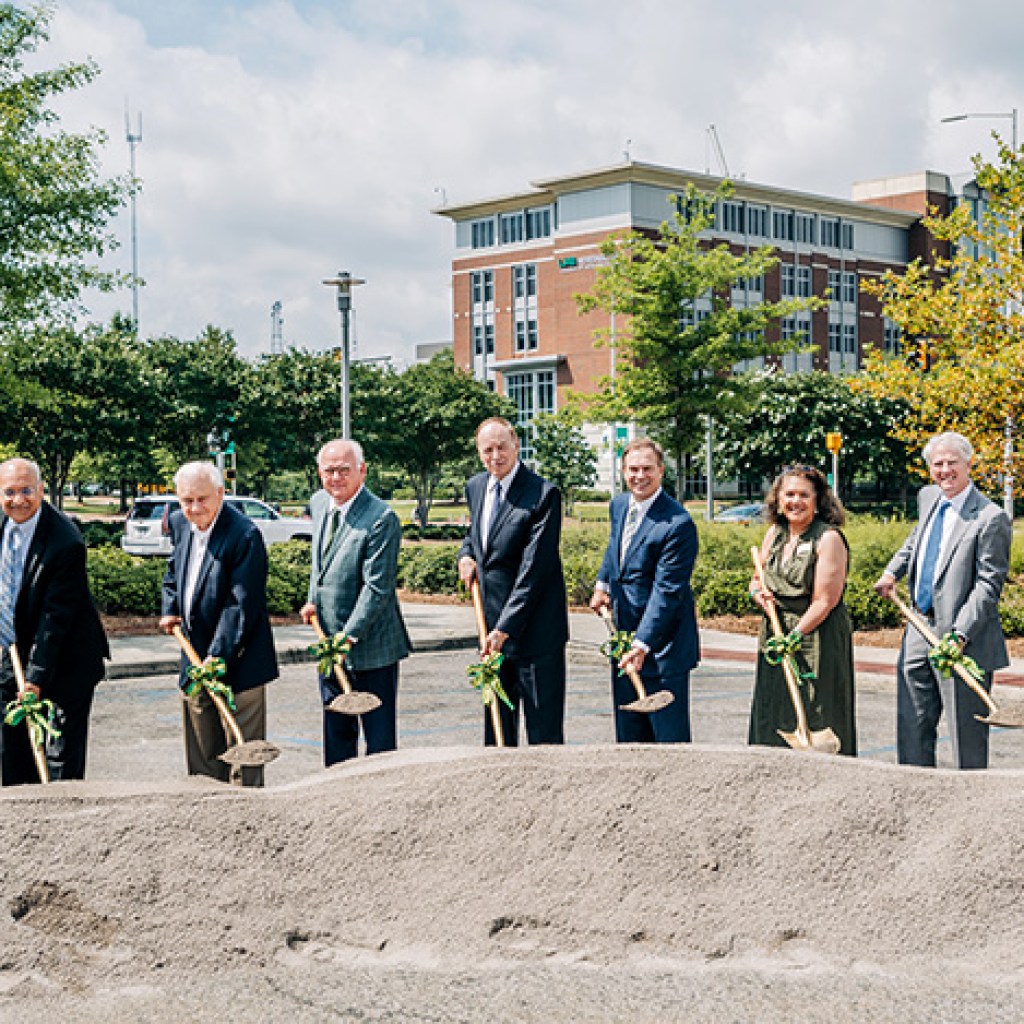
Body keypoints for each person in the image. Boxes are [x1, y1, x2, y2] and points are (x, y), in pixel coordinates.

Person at [874, 432, 1011, 769]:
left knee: (966, 733)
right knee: (913, 722)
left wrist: (960, 634)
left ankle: (969, 804)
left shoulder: (990, 517)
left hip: (964, 638)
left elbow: (987, 586)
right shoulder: (928, 497)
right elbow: (915, 540)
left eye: (953, 463)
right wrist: (892, 572)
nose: (945, 470)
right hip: (919, 627)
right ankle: (916, 790)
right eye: (938, 464)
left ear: (968, 464)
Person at [159, 462, 278, 786]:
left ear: (220, 494)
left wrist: (218, 656)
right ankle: (207, 816)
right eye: (186, 501)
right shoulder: (180, 525)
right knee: (202, 753)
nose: (194, 508)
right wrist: (170, 608)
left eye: (202, 499)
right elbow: (173, 574)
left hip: (240, 658)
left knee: (243, 755)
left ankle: (247, 821)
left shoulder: (244, 535)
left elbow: (239, 605)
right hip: (193, 655)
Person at [458, 417, 568, 745]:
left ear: (516, 444)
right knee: (497, 732)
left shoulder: (544, 494)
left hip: (535, 633)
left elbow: (534, 571)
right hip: (491, 630)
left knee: (542, 734)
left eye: (501, 447)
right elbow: (478, 536)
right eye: (487, 450)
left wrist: (505, 627)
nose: (495, 456)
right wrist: (466, 554)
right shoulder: (476, 487)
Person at [300, 439, 410, 766]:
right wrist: (311, 601)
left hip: (371, 648)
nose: (336, 477)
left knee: (377, 741)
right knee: (337, 735)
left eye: (344, 470)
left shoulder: (381, 518)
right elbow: (319, 564)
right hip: (328, 641)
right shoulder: (320, 503)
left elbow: (377, 588)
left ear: (361, 471)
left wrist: (348, 638)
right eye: (329, 470)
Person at [0, 458, 108, 785]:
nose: (18, 499)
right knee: (11, 749)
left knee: (59, 754)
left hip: (66, 660)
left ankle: (63, 818)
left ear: (42, 490)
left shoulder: (65, 542)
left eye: (26, 491)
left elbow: (55, 619)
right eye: (9, 492)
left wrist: (35, 677)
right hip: (12, 652)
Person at [589, 439, 699, 742]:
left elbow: (668, 591)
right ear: (623, 472)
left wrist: (642, 643)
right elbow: (616, 549)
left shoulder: (678, 524)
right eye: (633, 469)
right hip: (623, 640)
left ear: (661, 471)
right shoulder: (619, 505)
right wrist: (602, 584)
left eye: (647, 469)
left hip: (663, 648)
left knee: (667, 742)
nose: (640, 476)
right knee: (630, 740)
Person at [749, 465, 856, 756]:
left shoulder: (828, 538)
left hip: (815, 636)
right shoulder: (775, 533)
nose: (795, 501)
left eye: (803, 495)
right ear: (778, 499)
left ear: (818, 499)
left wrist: (793, 636)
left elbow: (825, 600)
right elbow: (757, 580)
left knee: (817, 708)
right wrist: (758, 594)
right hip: (775, 630)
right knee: (773, 707)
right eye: (789, 494)